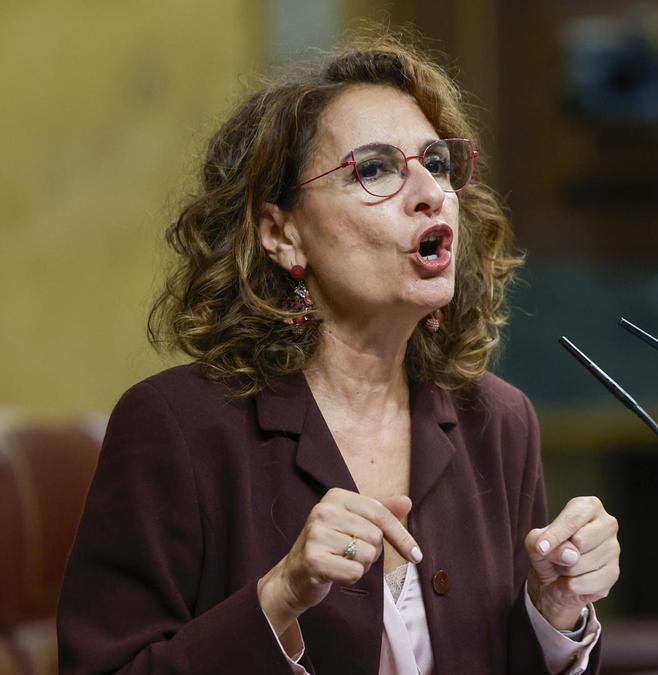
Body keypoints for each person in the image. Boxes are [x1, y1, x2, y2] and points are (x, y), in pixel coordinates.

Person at [57, 26, 619, 675]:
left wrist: (554, 612)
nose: (430, 191)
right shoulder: (177, 426)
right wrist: (278, 598)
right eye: (375, 169)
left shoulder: (496, 421)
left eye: (437, 163)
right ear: (281, 233)